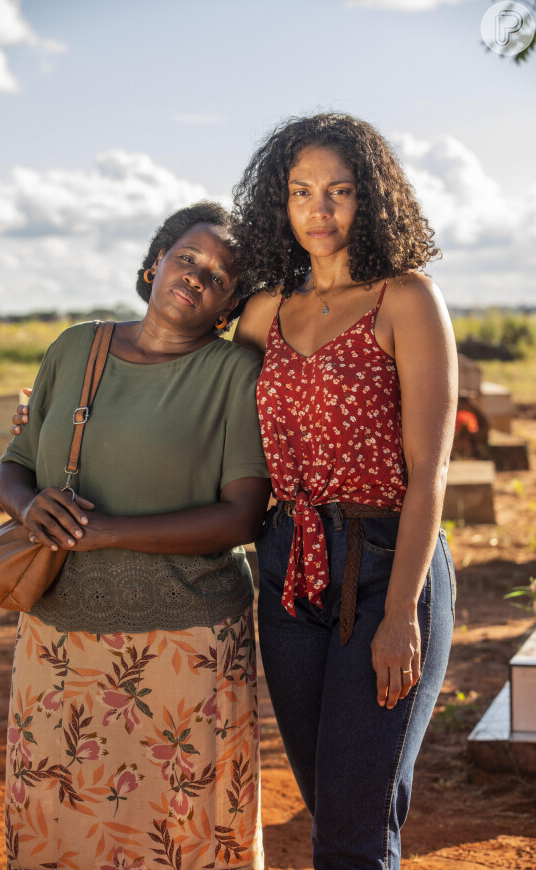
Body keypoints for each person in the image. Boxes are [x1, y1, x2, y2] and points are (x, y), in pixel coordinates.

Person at [0, 201, 271, 870]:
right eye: (188, 258)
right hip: (58, 643)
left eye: (222, 275)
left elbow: (242, 516)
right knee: (57, 825)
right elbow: (16, 464)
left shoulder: (235, 375)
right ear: (154, 265)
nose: (199, 276)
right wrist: (29, 508)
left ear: (231, 306)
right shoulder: (76, 347)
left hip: (188, 649)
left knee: (186, 836)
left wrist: (109, 531)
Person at [231, 114, 458, 869]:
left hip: (385, 560)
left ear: (373, 199)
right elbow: (202, 412)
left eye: (339, 191)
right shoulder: (263, 315)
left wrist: (401, 613)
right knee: (332, 804)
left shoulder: (406, 300)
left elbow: (430, 469)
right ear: (279, 202)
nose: (318, 211)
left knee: (352, 834)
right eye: (300, 192)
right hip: (286, 567)